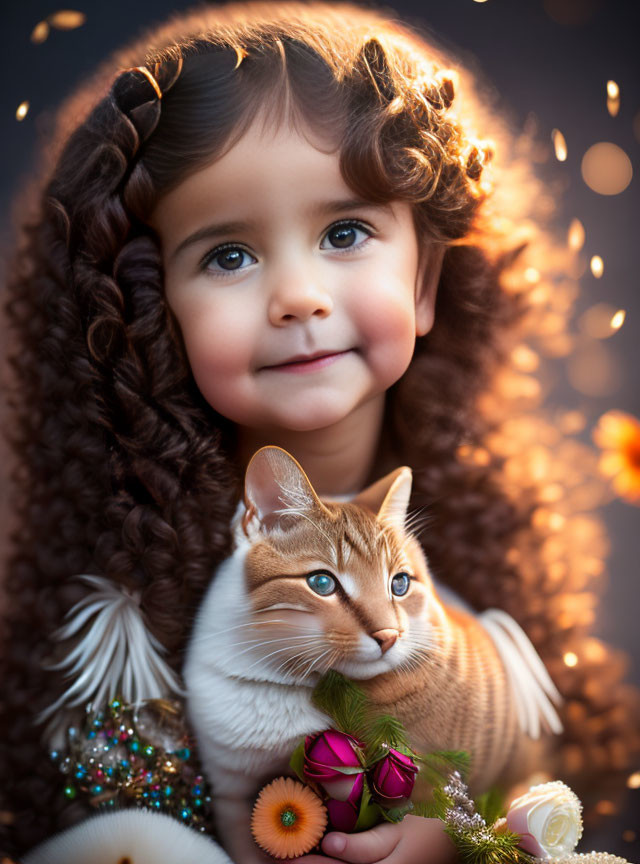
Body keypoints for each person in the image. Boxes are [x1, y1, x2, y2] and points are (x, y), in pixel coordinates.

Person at [2, 2, 637, 861]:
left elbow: (546, 769)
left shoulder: (486, 539)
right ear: (149, 313)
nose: (297, 294)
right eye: (228, 254)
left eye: (345, 231)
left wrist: (457, 835)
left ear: (424, 281)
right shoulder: (117, 592)